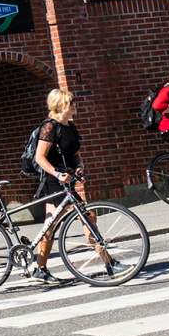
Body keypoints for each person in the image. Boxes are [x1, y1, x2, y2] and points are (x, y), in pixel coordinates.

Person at [27, 89, 122, 282]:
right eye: (71, 103)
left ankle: (39, 268)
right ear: (62, 105)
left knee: (51, 226)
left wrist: (79, 166)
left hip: (67, 179)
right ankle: (109, 263)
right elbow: (39, 157)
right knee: (88, 216)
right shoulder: (49, 127)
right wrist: (57, 173)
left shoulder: (69, 126)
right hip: (54, 181)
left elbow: (73, 153)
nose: (75, 106)